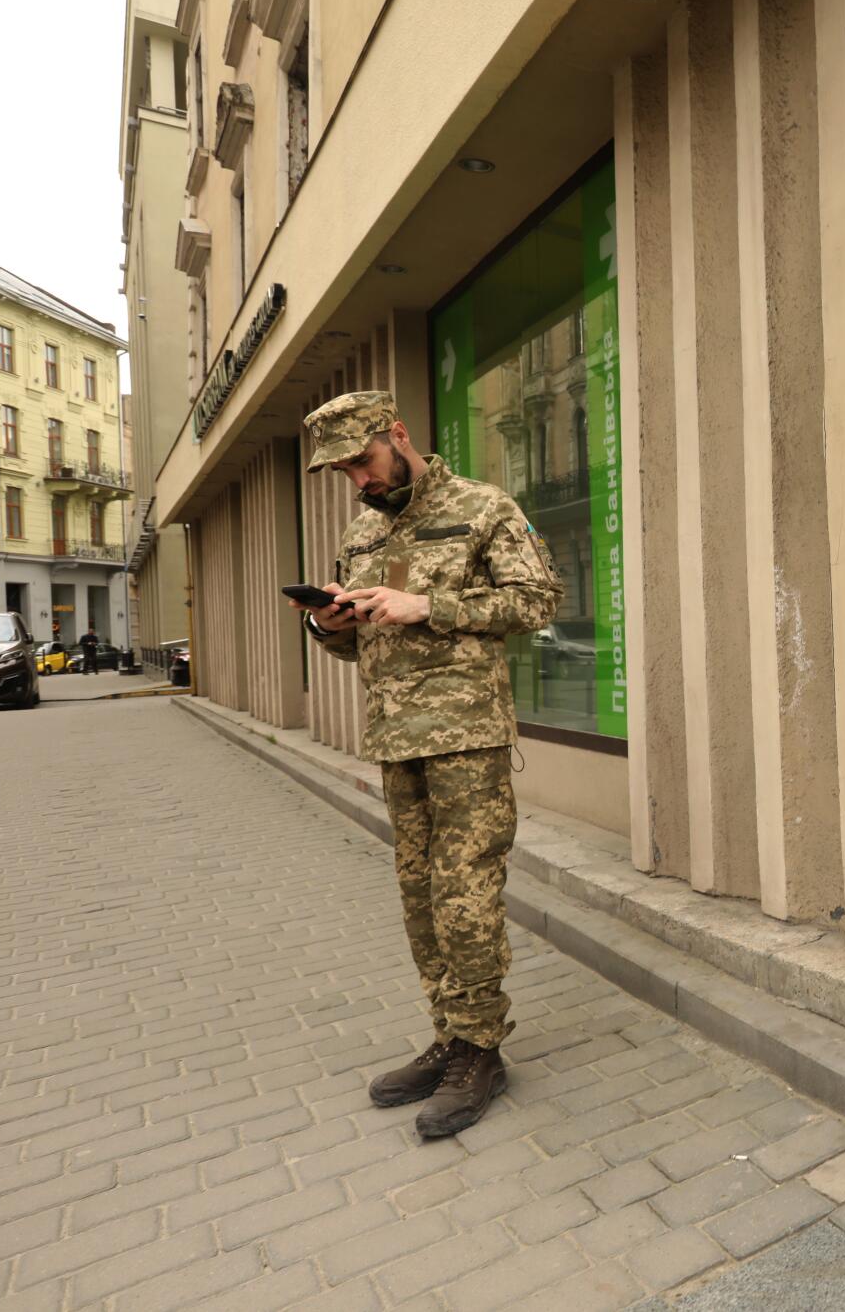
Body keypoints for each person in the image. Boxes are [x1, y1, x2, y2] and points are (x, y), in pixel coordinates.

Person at [291, 391, 562, 1137]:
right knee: (419, 894)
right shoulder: (361, 531)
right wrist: (329, 623)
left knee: (465, 893)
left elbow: (539, 598)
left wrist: (429, 606)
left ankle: (482, 1048)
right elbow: (358, 646)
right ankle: (448, 1032)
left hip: (467, 737)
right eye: (344, 471)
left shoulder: (483, 507)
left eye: (363, 461)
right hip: (395, 740)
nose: (358, 480)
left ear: (398, 436)